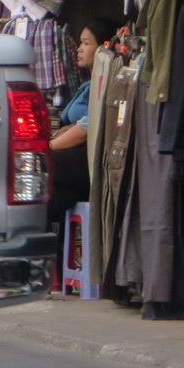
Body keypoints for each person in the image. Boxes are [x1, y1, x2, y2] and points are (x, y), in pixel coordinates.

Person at [47, 17, 118, 224]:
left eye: (86, 43)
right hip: (77, 161)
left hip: (92, 159)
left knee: (42, 166)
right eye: (81, 43)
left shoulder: (105, 85)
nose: (79, 49)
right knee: (49, 197)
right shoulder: (87, 85)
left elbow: (87, 127)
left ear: (104, 47)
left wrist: (49, 147)